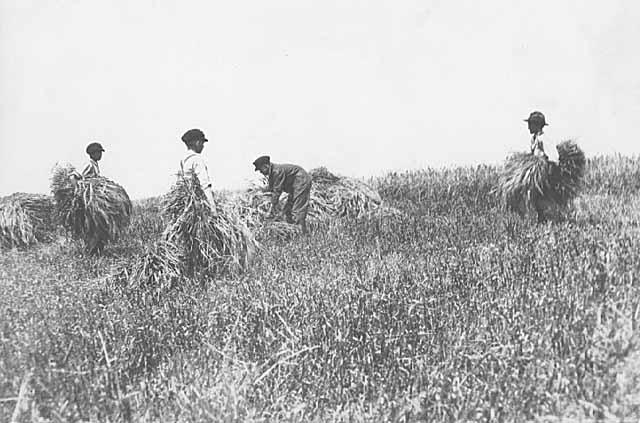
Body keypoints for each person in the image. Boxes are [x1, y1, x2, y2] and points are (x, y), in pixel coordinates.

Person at [253, 155, 312, 233]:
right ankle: (292, 230)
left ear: (265, 166)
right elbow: (271, 188)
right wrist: (259, 192)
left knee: (298, 208)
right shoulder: (272, 172)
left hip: (301, 181)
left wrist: (271, 208)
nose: (261, 172)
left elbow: (277, 191)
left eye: (261, 170)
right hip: (294, 184)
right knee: (288, 209)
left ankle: (301, 232)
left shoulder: (276, 172)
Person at [180, 128, 215, 207]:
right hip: (199, 204)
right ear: (197, 143)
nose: (203, 146)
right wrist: (213, 209)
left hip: (187, 203)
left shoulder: (184, 160)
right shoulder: (197, 159)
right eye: (202, 143)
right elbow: (205, 185)